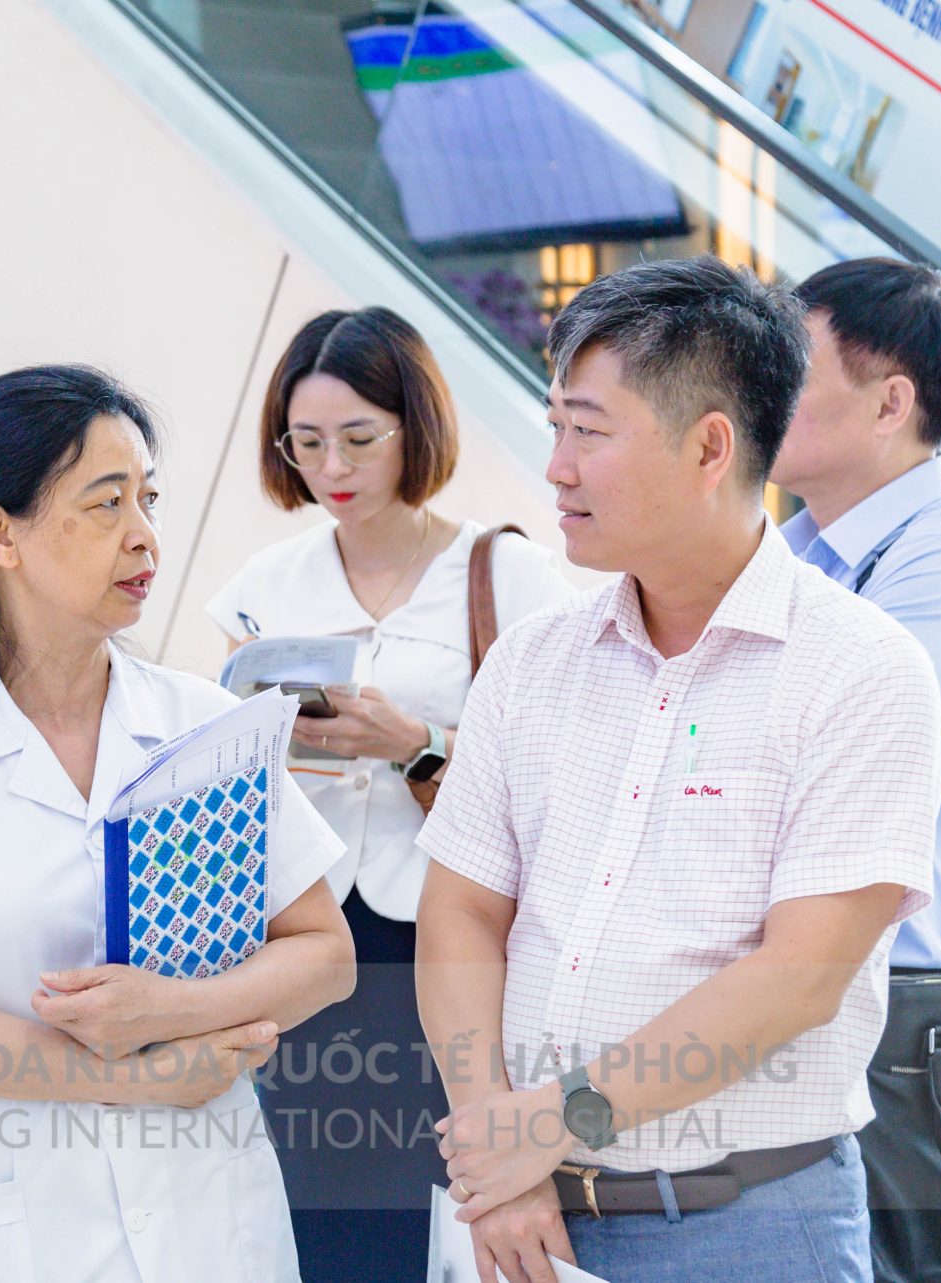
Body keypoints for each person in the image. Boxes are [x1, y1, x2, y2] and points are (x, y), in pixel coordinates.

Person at [413, 256, 941, 1283]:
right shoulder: (531, 660)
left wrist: (553, 1119)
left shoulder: (862, 671)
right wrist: (498, 1147)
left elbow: (799, 976)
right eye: (555, 426)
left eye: (588, 431)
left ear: (709, 446)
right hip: (524, 1219)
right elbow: (461, 911)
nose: (556, 467)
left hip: (747, 1229)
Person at [0, 364, 357, 1281]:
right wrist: (130, 1076)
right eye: (105, 503)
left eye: (148, 499)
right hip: (8, 1230)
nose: (144, 536)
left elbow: (325, 953)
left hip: (206, 1221)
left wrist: (172, 1011)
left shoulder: (203, 723)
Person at [204, 306, 574, 1279]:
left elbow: (560, 776)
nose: (332, 465)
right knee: (317, 1213)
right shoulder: (264, 583)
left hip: (453, 939)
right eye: (306, 441)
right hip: (308, 940)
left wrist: (415, 744)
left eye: (359, 437)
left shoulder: (510, 577)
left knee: (459, 1205)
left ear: (416, 427)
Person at [773, 257, 941, 974]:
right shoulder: (794, 548)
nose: (760, 396)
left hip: (895, 990)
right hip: (799, 973)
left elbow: (819, 751)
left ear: (889, 406)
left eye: (791, 374)